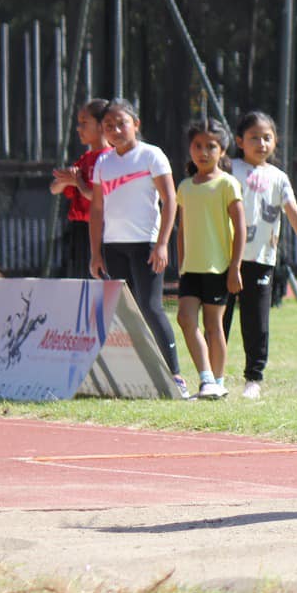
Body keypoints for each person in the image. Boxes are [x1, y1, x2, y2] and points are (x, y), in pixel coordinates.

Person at [88, 98, 185, 393]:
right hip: (114, 246)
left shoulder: (151, 155)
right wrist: (95, 253)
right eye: (108, 126)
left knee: (151, 307)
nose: (116, 130)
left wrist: (162, 244)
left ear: (136, 124)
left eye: (122, 123)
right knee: (125, 312)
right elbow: (96, 209)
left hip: (146, 244)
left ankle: (175, 376)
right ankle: (137, 377)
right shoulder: (103, 162)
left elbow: (170, 200)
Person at [223, 110, 297, 400]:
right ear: (239, 140)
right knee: (218, 319)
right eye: (254, 138)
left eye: (267, 137)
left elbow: (294, 213)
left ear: (276, 141)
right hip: (225, 259)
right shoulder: (228, 169)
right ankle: (213, 375)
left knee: (256, 322)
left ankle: (254, 378)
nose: (261, 143)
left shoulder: (278, 177)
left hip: (262, 259)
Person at [174, 119, 245, 400]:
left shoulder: (228, 184)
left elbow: (240, 228)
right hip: (191, 269)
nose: (203, 152)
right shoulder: (185, 187)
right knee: (184, 318)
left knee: (214, 326)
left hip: (219, 268)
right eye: (198, 146)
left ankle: (217, 381)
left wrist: (235, 267)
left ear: (223, 150)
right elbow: (182, 229)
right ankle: (206, 379)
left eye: (211, 146)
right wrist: (181, 264)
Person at [50, 98, 110, 278]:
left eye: (84, 123)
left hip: (102, 228)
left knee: (102, 278)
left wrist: (78, 182)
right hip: (79, 229)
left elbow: (97, 197)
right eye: (79, 123)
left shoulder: (110, 158)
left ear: (101, 126)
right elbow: (54, 189)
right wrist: (65, 179)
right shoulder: (85, 159)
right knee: (79, 278)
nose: (79, 128)